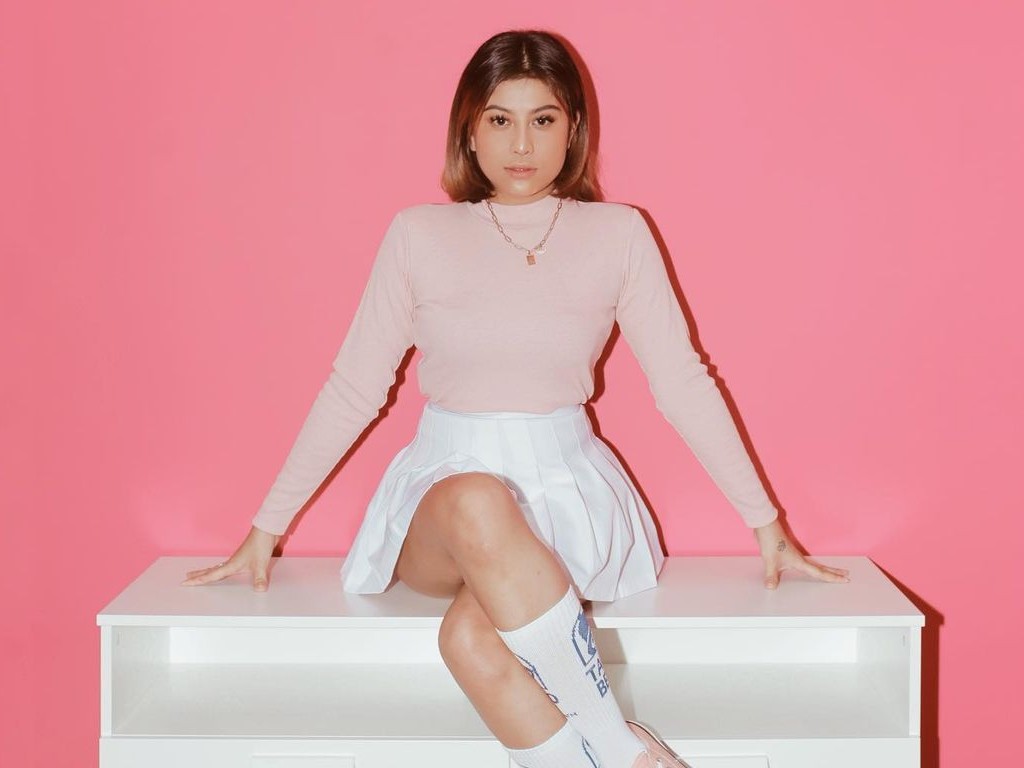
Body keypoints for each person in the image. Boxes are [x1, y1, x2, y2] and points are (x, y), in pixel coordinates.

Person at [181, 29, 850, 768]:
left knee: (470, 639)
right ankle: (625, 750)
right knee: (476, 499)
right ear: (469, 130)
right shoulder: (419, 234)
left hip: (566, 494)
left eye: (543, 119)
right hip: (442, 495)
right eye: (500, 119)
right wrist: (266, 527)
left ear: (574, 130)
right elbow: (354, 386)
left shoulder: (618, 234)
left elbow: (683, 380)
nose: (521, 144)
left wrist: (765, 522)